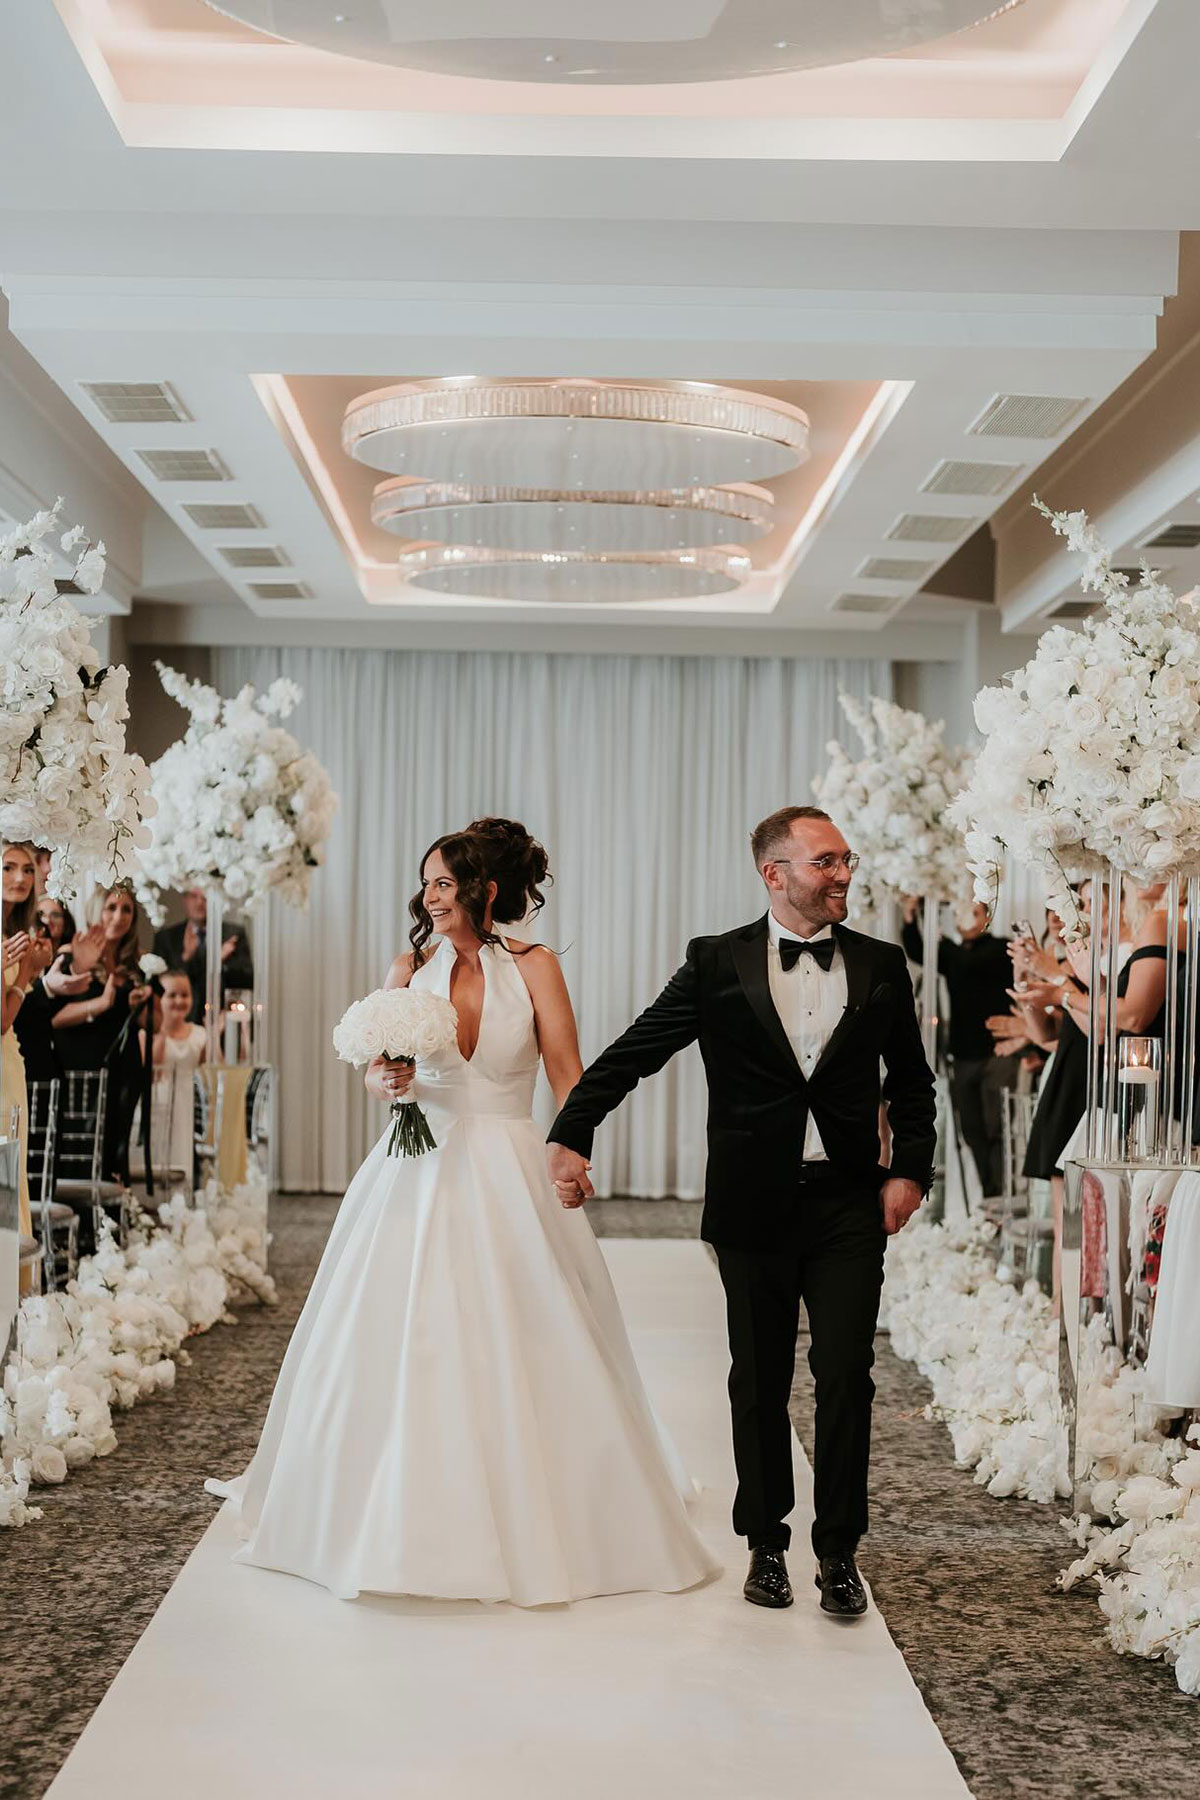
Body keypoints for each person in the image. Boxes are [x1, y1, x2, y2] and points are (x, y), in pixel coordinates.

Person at [205, 819, 719, 1605]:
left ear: (484, 889)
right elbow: (382, 1071)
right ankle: (391, 1507)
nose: (430, 896)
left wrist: (573, 1151)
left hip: (511, 1160)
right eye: (427, 884)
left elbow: (568, 1071)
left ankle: (565, 1505)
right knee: (406, 1326)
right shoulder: (409, 966)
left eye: (443, 882)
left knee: (533, 1325)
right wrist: (383, 1084)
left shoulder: (536, 966)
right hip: (418, 1164)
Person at [548, 805, 937, 1619]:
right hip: (752, 1205)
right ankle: (765, 1543)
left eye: (845, 860)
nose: (843, 875)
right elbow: (638, 1048)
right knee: (757, 1382)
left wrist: (911, 1171)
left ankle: (839, 1553)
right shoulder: (716, 962)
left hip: (845, 1205)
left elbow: (911, 1079)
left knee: (846, 1379)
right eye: (826, 861)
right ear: (776, 873)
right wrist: (572, 1130)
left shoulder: (879, 964)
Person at [900, 895, 1016, 1196]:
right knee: (972, 1129)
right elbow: (917, 951)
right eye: (962, 913)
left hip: (997, 1051)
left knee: (996, 1127)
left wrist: (943, 940)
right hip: (963, 1053)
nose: (966, 919)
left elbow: (968, 963)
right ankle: (989, 1193)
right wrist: (911, 916)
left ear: (986, 918)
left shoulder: (999, 949)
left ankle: (1003, 1193)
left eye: (973, 913)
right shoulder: (953, 955)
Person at [48, 884, 152, 1186]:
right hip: (83, 1072)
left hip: (124, 1071)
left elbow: (147, 1023)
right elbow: (54, 1019)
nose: (118, 917)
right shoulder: (73, 955)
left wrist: (139, 1004)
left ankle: (113, 1222)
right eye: (111, 908)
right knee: (82, 1150)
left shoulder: (135, 965)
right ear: (98, 910)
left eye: (126, 910)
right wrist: (101, 1004)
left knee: (115, 1148)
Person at [2, 842, 52, 1262]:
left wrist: (29, 972)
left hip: (9, 1062)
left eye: (27, 870)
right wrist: (28, 973)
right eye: (8, 868)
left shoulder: (16, 934)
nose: (19, 878)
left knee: (11, 1167)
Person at [136, 970, 206, 1180]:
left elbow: (208, 1069)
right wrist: (162, 1030)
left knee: (182, 1151)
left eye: (185, 995)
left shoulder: (200, 1033)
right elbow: (151, 1068)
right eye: (172, 995)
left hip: (187, 1102)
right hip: (158, 1100)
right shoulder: (146, 1034)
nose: (179, 1001)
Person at [153, 889, 254, 1025]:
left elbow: (246, 980)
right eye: (194, 896)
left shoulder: (232, 934)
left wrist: (220, 964)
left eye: (205, 897)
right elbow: (160, 985)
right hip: (179, 1020)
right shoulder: (166, 938)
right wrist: (186, 958)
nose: (200, 902)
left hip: (221, 1021)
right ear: (185, 899)